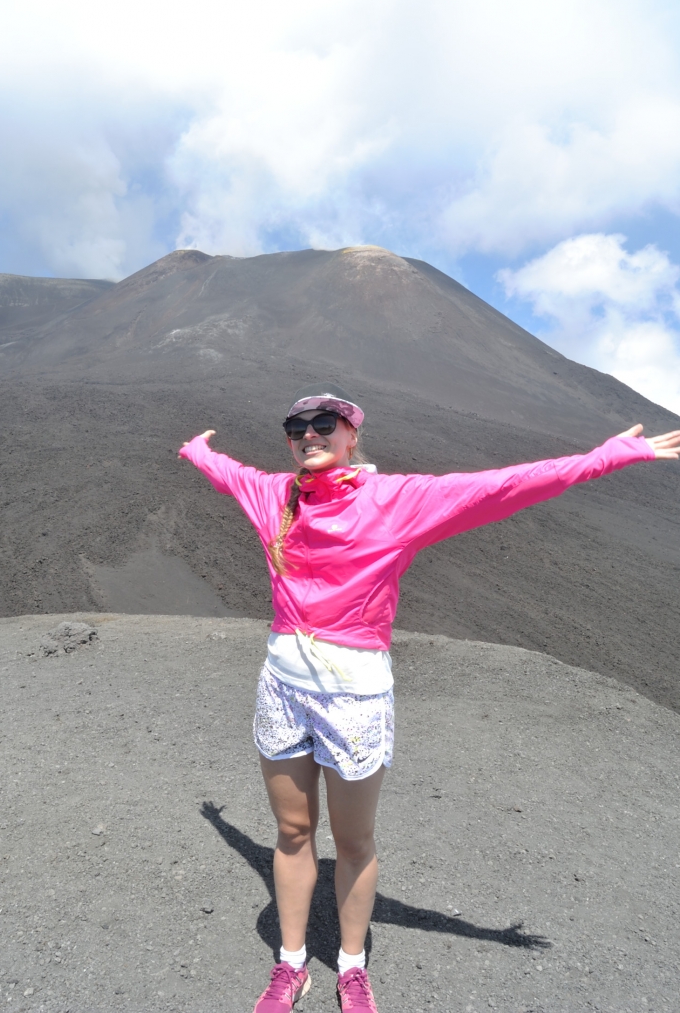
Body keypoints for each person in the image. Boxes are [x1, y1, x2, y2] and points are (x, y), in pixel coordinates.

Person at [179, 382, 680, 1013]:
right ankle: (291, 965)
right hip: (282, 690)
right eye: (297, 425)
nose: (310, 432)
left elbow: (504, 486)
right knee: (290, 830)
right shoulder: (274, 494)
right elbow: (225, 470)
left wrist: (606, 455)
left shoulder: (399, 501)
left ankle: (353, 968)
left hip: (354, 698)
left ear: (352, 433)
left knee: (354, 842)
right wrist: (196, 449)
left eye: (325, 422)